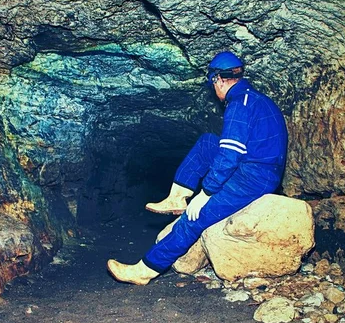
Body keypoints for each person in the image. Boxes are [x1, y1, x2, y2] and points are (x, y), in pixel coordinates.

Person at [107, 51, 288, 285]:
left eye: (213, 84)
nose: (215, 91)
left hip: (253, 176)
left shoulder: (238, 105)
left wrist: (206, 193)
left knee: (195, 217)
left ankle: (145, 270)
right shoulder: (256, 99)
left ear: (219, 80)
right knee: (207, 143)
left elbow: (230, 156)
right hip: (259, 166)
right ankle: (177, 196)